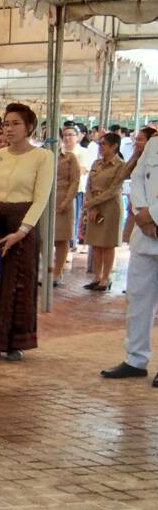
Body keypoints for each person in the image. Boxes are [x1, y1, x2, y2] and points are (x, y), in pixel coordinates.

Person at [0, 103, 54, 360]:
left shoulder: (43, 157)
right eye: (6, 124)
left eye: (15, 123)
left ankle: (16, 342)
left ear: (29, 127)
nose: (9, 129)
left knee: (19, 282)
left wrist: (23, 230)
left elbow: (41, 198)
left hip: (23, 224)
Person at [101, 124, 158, 384]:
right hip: (145, 233)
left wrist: (153, 215)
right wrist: (143, 215)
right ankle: (135, 359)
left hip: (151, 221)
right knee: (137, 298)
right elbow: (136, 178)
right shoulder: (154, 144)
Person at [82, 133, 127, 293]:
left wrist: (92, 203)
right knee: (95, 243)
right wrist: (91, 206)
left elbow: (113, 189)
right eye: (100, 144)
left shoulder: (121, 165)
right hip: (95, 206)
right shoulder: (96, 163)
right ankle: (96, 276)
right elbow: (88, 186)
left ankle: (106, 278)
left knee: (107, 244)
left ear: (114, 146)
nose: (100, 147)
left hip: (110, 207)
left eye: (104, 144)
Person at [51, 126, 82, 286]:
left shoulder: (70, 157)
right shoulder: (44, 156)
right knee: (46, 238)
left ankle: (58, 272)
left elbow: (75, 181)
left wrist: (66, 201)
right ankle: (48, 270)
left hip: (64, 201)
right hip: (47, 201)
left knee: (61, 239)